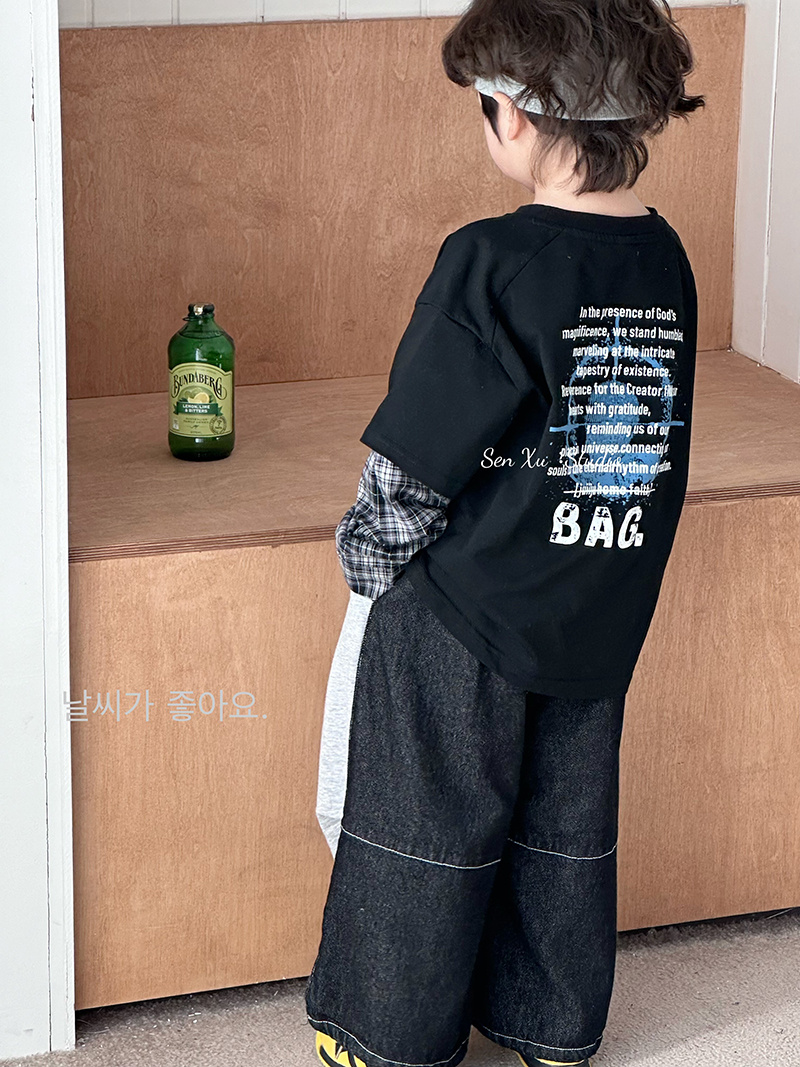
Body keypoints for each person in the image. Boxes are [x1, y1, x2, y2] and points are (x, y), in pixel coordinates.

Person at [306, 1, 704, 1065]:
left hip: (465, 612)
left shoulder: (490, 258)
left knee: (421, 818)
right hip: (596, 603)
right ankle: (552, 1029)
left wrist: (368, 558)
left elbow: (420, 453)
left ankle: (385, 1036)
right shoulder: (663, 261)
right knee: (562, 825)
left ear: (514, 116)